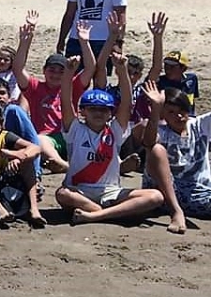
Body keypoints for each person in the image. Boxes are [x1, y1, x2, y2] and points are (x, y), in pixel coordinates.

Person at [56, 55, 163, 225]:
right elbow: (65, 102)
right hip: (79, 192)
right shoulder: (75, 129)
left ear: (110, 113)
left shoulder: (114, 130)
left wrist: (122, 71)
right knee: (62, 194)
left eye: (104, 110)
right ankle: (110, 213)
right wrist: (69, 72)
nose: (98, 113)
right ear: (83, 111)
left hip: (111, 192)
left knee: (155, 196)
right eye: (93, 109)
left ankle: (95, 215)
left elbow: (127, 104)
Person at [13, 11, 100, 173]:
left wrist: (84, 42)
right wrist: (25, 41)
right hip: (48, 140)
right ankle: (63, 165)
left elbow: (90, 68)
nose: (55, 74)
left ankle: (117, 163)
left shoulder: (72, 85)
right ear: (44, 71)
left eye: (61, 71)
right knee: (38, 140)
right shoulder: (35, 87)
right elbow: (18, 69)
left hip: (72, 136)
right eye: (51, 70)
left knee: (96, 134)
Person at [140, 83, 210, 234]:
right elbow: (149, 142)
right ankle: (176, 212)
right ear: (163, 115)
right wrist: (156, 109)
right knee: (156, 149)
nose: (179, 116)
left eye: (182, 110)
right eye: (171, 112)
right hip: (166, 191)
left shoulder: (199, 125)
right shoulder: (159, 130)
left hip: (199, 191)